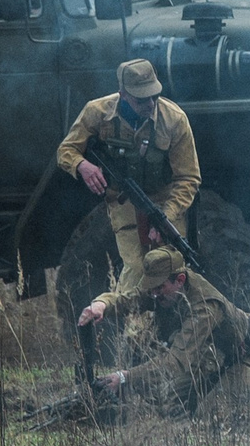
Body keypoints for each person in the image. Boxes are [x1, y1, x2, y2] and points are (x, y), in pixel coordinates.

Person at [65, 247, 250, 418]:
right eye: (152, 288)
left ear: (180, 280)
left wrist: (125, 377)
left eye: (159, 288)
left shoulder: (204, 307)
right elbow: (133, 298)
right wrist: (102, 304)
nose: (154, 294)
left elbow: (175, 362)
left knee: (210, 414)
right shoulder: (165, 288)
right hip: (214, 358)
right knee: (170, 405)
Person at [56, 59, 201, 303]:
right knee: (136, 268)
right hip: (124, 203)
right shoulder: (98, 112)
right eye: (141, 99)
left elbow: (189, 177)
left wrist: (166, 216)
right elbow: (66, 150)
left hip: (165, 202)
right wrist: (82, 165)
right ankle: (129, 319)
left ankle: (178, 323)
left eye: (154, 96)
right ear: (123, 94)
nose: (150, 104)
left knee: (174, 272)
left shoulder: (174, 119)